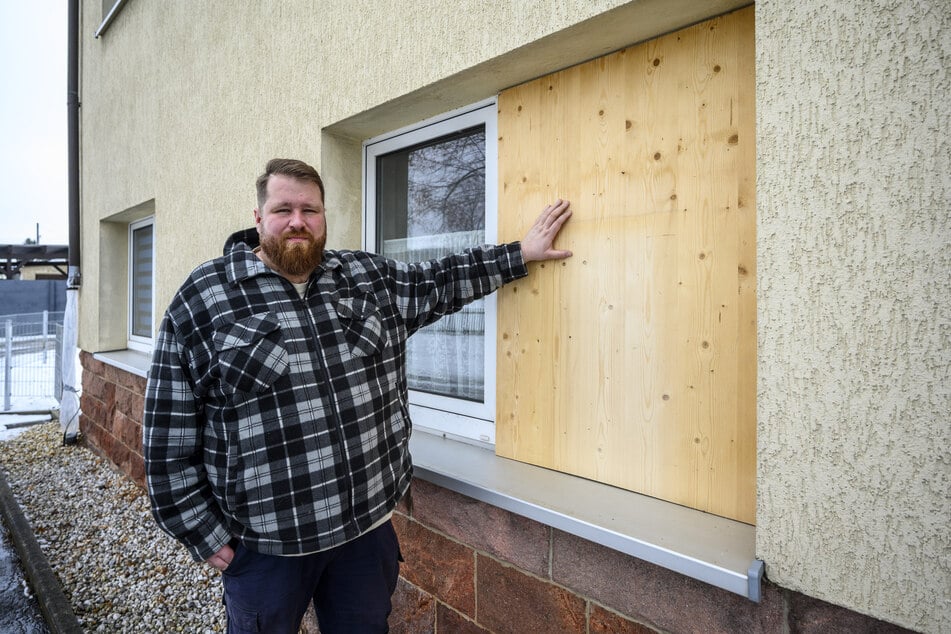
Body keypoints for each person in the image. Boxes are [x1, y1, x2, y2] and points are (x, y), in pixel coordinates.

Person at [143, 158, 572, 633]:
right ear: (258, 216)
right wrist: (203, 534)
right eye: (283, 208)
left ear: (325, 216)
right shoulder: (205, 297)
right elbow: (167, 435)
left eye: (311, 209)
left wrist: (520, 254)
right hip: (266, 548)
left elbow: (441, 280)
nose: (298, 221)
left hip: (363, 537)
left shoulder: (365, 279)